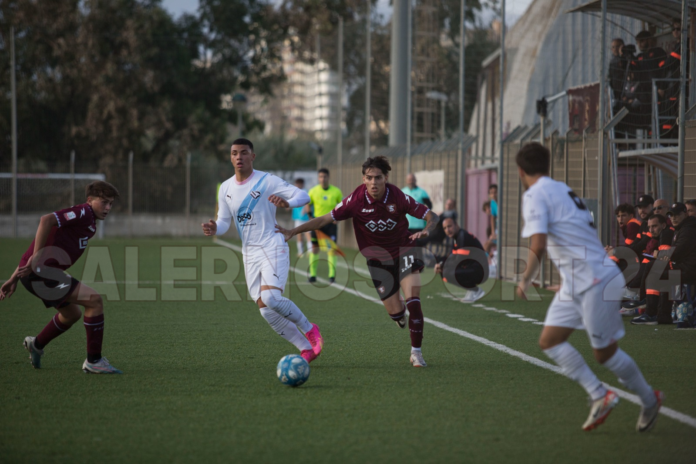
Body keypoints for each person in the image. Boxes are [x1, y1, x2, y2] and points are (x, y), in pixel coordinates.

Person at [514, 142, 662, 432]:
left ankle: (649, 398)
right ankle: (600, 394)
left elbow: (539, 242)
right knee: (550, 341)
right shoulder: (561, 188)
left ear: (520, 171)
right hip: (579, 279)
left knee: (604, 353)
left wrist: (525, 279)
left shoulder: (534, 194)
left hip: (595, 279)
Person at [276, 156, 440, 368]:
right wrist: (293, 230)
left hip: (404, 250)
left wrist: (427, 229)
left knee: (414, 302)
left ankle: (416, 353)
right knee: (396, 313)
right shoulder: (355, 200)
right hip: (377, 259)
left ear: (386, 178)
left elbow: (431, 215)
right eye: (369, 178)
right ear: (363, 179)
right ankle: (399, 312)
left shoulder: (398, 196)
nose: (374, 182)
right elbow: (325, 219)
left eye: (378, 178)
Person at [202, 138, 324, 364]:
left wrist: (287, 203)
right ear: (230, 157)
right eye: (234, 153)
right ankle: (305, 348)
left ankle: (310, 329)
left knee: (271, 297)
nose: (239, 157)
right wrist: (214, 228)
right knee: (265, 309)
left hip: (272, 244)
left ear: (253, 156)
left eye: (244, 152)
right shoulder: (226, 188)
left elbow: (303, 196)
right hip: (250, 253)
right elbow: (224, 221)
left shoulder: (267, 181)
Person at [0, 181, 123, 374]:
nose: (108, 208)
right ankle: (94, 361)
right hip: (41, 274)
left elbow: (38, 246)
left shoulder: (90, 221)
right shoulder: (84, 212)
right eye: (104, 202)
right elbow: (46, 220)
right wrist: (38, 257)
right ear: (89, 200)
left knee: (72, 314)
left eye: (111, 204)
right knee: (94, 301)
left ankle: (36, 345)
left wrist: (14, 277)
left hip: (37, 273)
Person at [631, 203, 696, 325]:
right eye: (671, 215)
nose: (674, 218)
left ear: (685, 214)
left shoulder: (689, 229)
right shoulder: (682, 228)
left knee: (655, 268)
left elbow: (678, 252)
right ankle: (661, 315)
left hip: (689, 269)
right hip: (684, 266)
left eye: (677, 215)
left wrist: (659, 255)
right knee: (659, 270)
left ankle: (648, 307)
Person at [626, 213, 675, 321]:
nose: (651, 230)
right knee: (650, 265)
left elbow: (664, 259)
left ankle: (644, 300)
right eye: (649, 227)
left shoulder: (666, 233)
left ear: (663, 225)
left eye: (654, 226)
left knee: (652, 267)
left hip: (679, 268)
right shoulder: (661, 236)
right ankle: (652, 309)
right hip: (676, 267)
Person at [434, 217, 486, 303]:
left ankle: (476, 290)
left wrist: (442, 265)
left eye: (449, 226)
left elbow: (459, 260)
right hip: (472, 267)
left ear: (456, 225)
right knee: (444, 272)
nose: (447, 230)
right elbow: (452, 257)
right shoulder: (456, 238)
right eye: (445, 228)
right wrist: (440, 263)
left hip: (479, 270)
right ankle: (472, 290)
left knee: (447, 272)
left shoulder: (463, 236)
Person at [307, 168, 343, 283]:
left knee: (331, 250)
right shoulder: (313, 191)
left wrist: (338, 218)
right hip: (317, 225)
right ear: (318, 178)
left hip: (331, 224)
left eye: (325, 176)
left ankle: (332, 277)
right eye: (321, 177)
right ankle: (312, 275)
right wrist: (310, 217)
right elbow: (308, 204)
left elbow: (341, 206)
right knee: (314, 249)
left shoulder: (336, 191)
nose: (323, 179)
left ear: (328, 177)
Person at [402, 173, 433, 244]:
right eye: (409, 180)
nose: (411, 182)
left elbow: (429, 205)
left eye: (412, 180)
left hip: (418, 224)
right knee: (406, 245)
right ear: (406, 181)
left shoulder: (422, 192)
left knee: (417, 246)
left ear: (415, 180)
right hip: (406, 225)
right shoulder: (403, 191)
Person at [290, 178, 312, 255]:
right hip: (297, 217)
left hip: (304, 217)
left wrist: (305, 211)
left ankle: (310, 251)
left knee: (307, 234)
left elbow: (307, 204)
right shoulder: (294, 193)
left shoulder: (305, 192)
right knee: (299, 235)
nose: (296, 186)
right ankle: (300, 252)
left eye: (298, 184)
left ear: (302, 184)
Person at [609, 38, 627, 103]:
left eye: (617, 46)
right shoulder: (612, 61)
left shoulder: (626, 59)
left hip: (625, 91)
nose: (615, 49)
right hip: (616, 92)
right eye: (613, 47)